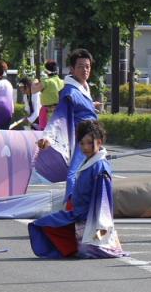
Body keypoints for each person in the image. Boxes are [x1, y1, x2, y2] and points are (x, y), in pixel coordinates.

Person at [28, 119, 126, 259]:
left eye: (90, 143)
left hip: (92, 219)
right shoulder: (89, 162)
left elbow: (103, 201)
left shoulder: (100, 167)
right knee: (41, 225)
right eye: (82, 143)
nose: (85, 147)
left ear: (100, 142)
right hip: (77, 214)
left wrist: (101, 229)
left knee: (88, 250)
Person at [36, 49, 102, 196]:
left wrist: (91, 105)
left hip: (94, 136)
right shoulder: (70, 92)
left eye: (87, 66)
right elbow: (58, 117)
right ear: (72, 69)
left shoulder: (84, 87)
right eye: (80, 66)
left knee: (96, 168)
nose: (85, 70)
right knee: (74, 172)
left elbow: (81, 107)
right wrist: (47, 136)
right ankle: (70, 205)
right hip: (83, 139)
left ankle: (90, 201)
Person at [31, 60, 63, 130]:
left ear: (46, 71)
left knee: (44, 136)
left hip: (46, 113)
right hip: (59, 113)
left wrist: (34, 82)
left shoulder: (46, 82)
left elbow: (33, 91)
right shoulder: (62, 82)